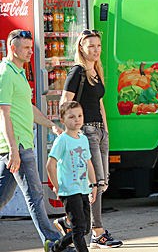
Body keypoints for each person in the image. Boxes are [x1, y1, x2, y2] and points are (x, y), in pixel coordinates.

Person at [0, 29, 65, 246]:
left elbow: (28, 108)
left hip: (20, 145)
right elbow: (4, 115)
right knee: (35, 195)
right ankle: (53, 242)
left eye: (31, 47)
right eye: (26, 48)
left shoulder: (18, 73)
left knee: (3, 197)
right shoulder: (6, 74)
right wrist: (14, 150)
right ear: (12, 47)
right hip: (16, 145)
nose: (31, 52)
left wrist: (52, 125)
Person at [59, 29, 122, 248]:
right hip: (85, 132)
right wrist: (73, 133)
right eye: (91, 46)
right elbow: (65, 103)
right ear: (81, 48)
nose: (96, 50)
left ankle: (69, 221)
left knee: (101, 183)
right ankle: (98, 232)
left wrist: (106, 131)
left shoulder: (96, 70)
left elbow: (100, 103)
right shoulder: (77, 72)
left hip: (99, 132)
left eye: (98, 46)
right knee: (95, 183)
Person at [45, 101, 98, 252]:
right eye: (72, 117)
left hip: (83, 190)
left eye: (80, 116)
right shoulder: (62, 140)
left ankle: (55, 249)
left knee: (85, 228)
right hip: (69, 191)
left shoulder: (83, 139)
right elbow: (50, 165)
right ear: (62, 121)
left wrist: (93, 185)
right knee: (79, 230)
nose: (77, 120)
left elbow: (88, 163)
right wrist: (57, 186)